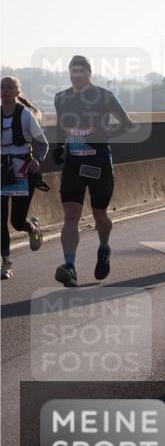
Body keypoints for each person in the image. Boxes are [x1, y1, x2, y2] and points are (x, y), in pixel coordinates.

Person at [51, 55, 135, 287]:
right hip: (73, 164)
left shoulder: (104, 97)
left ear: (89, 73)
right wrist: (58, 146)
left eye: (80, 72)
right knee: (71, 215)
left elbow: (127, 124)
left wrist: (103, 138)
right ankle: (70, 266)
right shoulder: (61, 98)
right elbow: (61, 125)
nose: (75, 77)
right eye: (72, 72)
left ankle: (104, 247)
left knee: (100, 215)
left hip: (98, 163)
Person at [1, 76, 48, 280]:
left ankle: (32, 227)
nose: (5, 90)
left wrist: (37, 159)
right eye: (2, 87)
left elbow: (43, 144)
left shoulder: (26, 116)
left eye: (10, 87)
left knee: (17, 221)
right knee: (1, 220)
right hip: (2, 171)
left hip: (23, 171)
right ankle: (6, 263)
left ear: (18, 92)